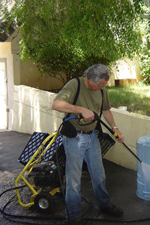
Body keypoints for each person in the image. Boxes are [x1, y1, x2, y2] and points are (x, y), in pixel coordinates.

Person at [52, 64, 124, 224]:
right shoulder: (74, 85)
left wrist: (115, 128)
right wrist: (80, 109)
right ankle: (73, 216)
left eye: (103, 86)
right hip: (74, 139)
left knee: (99, 175)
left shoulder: (101, 89)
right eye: (99, 85)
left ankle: (105, 205)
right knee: (74, 180)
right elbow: (56, 104)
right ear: (89, 78)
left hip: (92, 136)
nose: (101, 89)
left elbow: (106, 110)